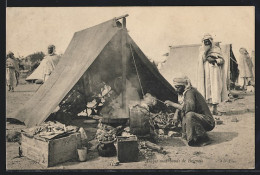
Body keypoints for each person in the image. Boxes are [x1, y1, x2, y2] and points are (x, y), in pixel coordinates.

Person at [165, 75, 215, 146]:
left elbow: (189, 108)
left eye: (178, 87)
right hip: (200, 118)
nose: (176, 90)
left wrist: (172, 104)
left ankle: (204, 138)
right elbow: (181, 105)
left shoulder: (190, 92)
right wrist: (176, 114)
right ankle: (190, 135)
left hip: (208, 121)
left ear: (183, 86)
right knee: (182, 113)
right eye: (175, 87)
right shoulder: (184, 93)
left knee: (189, 115)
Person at [196, 34, 228, 115]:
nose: (207, 42)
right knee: (207, 90)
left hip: (215, 72)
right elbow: (200, 61)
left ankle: (215, 109)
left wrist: (215, 60)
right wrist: (205, 54)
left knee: (215, 88)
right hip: (205, 73)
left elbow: (222, 60)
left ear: (211, 41)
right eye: (205, 41)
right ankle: (209, 110)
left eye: (208, 41)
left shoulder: (216, 49)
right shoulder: (201, 49)